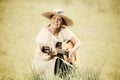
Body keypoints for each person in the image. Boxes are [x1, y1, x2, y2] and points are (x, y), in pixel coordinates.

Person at [32, 9, 81, 79]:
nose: (56, 21)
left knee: (68, 65)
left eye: (59, 20)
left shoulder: (63, 30)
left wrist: (72, 51)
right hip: (43, 63)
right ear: (50, 20)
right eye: (54, 18)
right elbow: (42, 56)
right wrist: (50, 56)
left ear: (62, 23)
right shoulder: (44, 33)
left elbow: (78, 42)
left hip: (58, 61)